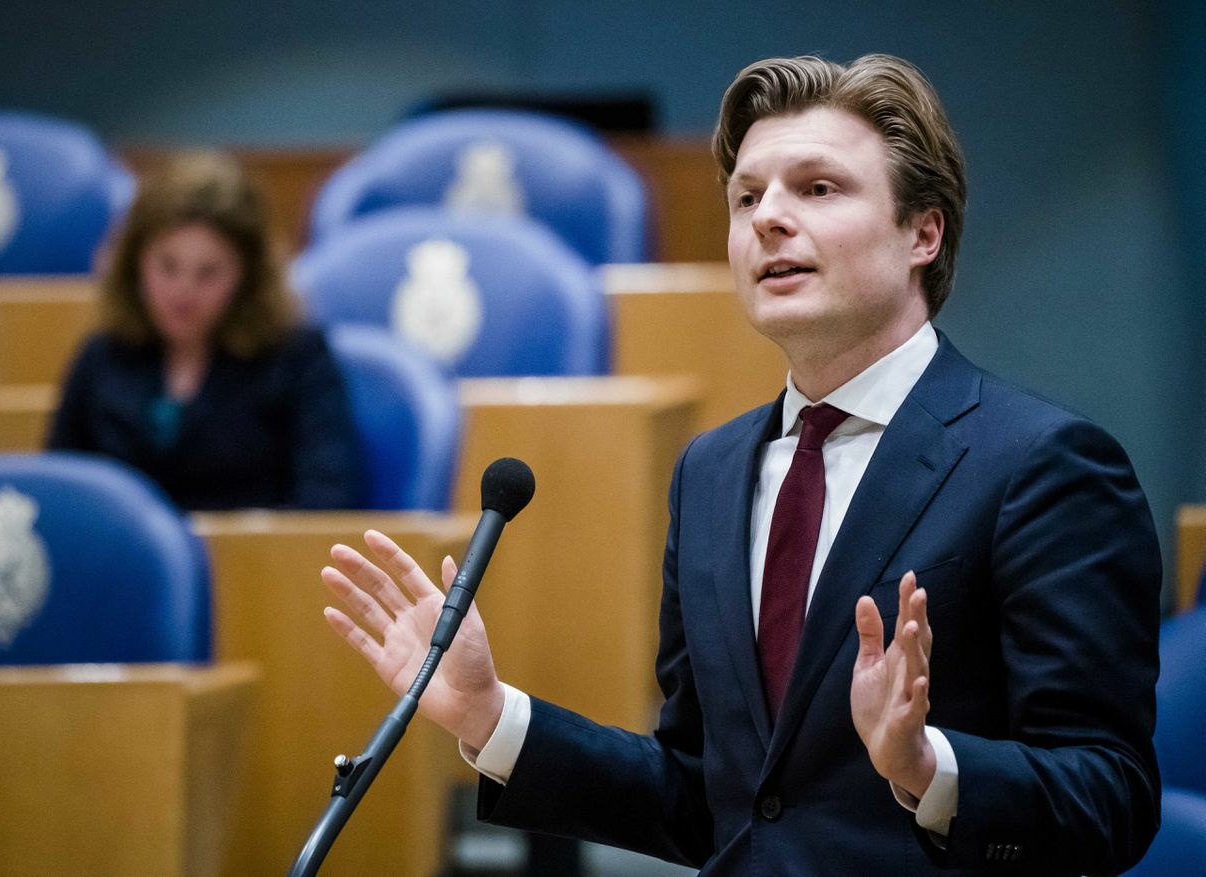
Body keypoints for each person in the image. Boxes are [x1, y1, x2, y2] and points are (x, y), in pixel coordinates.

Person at [320, 55, 1161, 875]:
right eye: (748, 197)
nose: (768, 219)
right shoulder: (711, 473)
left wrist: (928, 767)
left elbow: (1111, 796)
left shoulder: (1042, 465)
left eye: (818, 188)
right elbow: (709, 800)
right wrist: (490, 714)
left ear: (923, 232)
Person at [48, 152, 363, 511]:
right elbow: (64, 496)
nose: (183, 292)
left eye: (208, 272)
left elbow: (325, 503)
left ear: (247, 276)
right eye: (167, 266)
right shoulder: (101, 356)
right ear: (135, 262)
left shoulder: (298, 357)